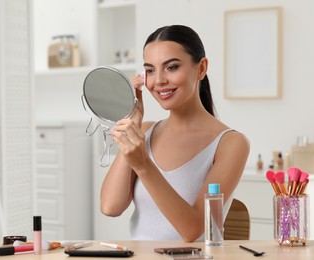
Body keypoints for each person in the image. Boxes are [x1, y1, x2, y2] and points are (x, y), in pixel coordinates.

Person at [100, 25, 249, 242]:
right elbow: (110, 207)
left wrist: (143, 165)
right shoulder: (143, 132)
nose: (158, 80)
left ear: (201, 68)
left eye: (171, 67)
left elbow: (193, 230)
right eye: (150, 70)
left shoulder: (231, 143)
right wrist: (132, 123)